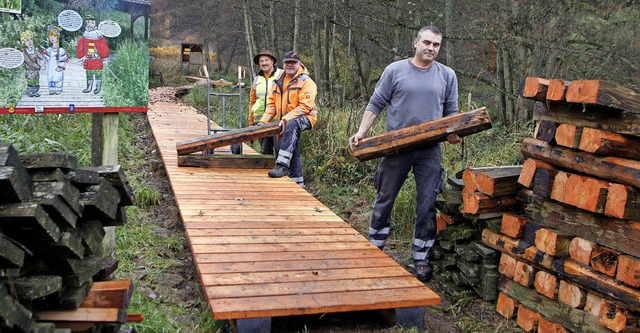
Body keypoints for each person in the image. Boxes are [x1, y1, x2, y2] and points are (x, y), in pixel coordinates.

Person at [349, 26, 461, 282]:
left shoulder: (447, 75)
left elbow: (452, 112)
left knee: (426, 204)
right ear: (415, 42)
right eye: (427, 42)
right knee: (385, 197)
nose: (431, 48)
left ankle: (421, 258)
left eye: (436, 45)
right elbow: (376, 102)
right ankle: (375, 247)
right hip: (396, 147)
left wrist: (454, 132)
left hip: (430, 150)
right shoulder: (395, 70)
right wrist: (361, 132)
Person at [257, 51, 318, 188]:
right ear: (283, 63)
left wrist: (285, 118)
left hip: (306, 117)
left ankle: (282, 165)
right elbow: (271, 105)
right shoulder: (278, 81)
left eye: (293, 62)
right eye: (287, 62)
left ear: (299, 64)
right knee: (282, 136)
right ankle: (297, 183)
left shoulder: (306, 82)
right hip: (286, 120)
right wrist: (263, 122)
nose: (290, 65)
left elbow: (305, 106)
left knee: (291, 126)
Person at [248, 49, 283, 155]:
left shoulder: (282, 75)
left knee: (280, 149)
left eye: (266, 60)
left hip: (278, 119)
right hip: (260, 120)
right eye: (261, 61)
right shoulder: (257, 80)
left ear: (272, 61)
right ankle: (267, 170)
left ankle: (280, 169)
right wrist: (250, 122)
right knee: (265, 150)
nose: (264, 63)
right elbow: (252, 102)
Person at [76, 13, 109, 94]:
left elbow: (103, 47)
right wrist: (81, 57)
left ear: (95, 23)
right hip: (88, 59)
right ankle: (89, 88)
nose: (90, 24)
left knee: (98, 74)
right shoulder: (85, 36)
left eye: (92, 22)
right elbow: (80, 46)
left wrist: (104, 57)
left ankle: (98, 89)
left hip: (97, 59)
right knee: (89, 74)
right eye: (88, 22)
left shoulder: (98, 36)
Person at [43, 25, 68, 95]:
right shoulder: (49, 50)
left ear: (58, 37)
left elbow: (64, 59)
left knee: (58, 77)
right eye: (51, 35)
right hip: (51, 66)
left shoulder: (61, 50)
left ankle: (58, 89)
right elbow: (46, 59)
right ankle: (51, 89)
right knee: (51, 77)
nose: (52, 38)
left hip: (57, 67)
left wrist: (60, 66)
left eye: (54, 36)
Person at [21, 30, 45, 97]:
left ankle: (35, 92)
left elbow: (39, 55)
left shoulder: (33, 50)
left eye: (31, 39)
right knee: (31, 83)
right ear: (24, 42)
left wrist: (43, 59)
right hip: (30, 71)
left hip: (36, 71)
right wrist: (39, 67)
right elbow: (29, 62)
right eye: (27, 40)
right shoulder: (24, 52)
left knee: (36, 83)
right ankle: (30, 92)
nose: (30, 42)